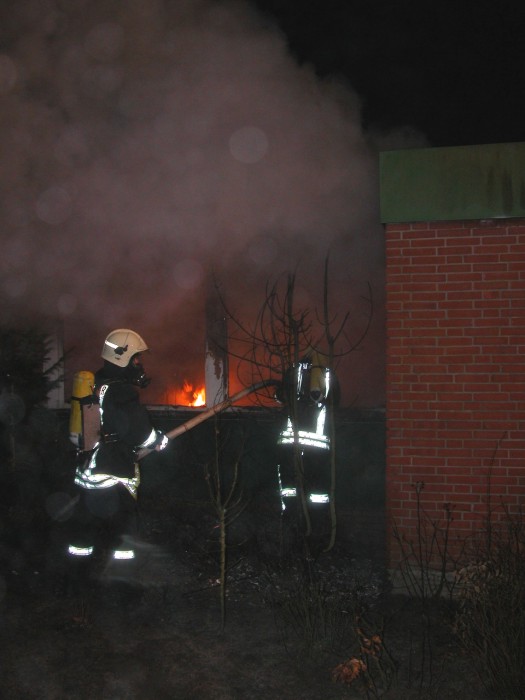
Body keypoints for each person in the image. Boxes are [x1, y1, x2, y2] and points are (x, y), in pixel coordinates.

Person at [65, 328, 168, 597]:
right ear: (122, 357)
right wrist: (158, 439)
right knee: (124, 538)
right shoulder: (121, 392)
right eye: (136, 358)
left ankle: (76, 587)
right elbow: (138, 432)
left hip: (88, 473)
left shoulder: (97, 383)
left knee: (84, 535)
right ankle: (123, 592)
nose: (139, 364)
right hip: (111, 476)